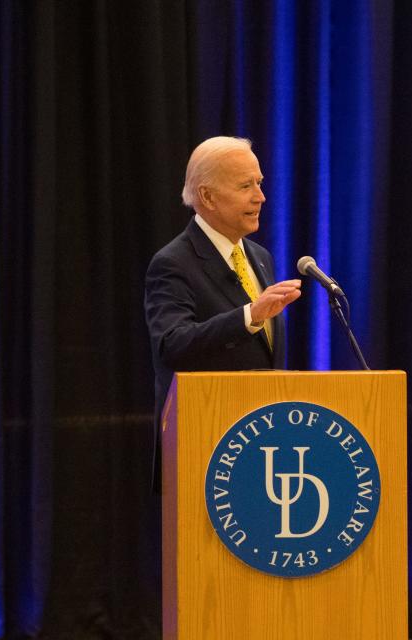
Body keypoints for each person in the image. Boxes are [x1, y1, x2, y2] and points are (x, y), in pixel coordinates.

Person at [144, 136, 301, 488]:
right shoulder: (173, 263)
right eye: (246, 186)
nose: (260, 197)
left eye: (259, 183)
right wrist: (249, 316)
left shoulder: (260, 257)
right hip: (204, 449)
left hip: (263, 449)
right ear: (207, 197)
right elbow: (172, 344)